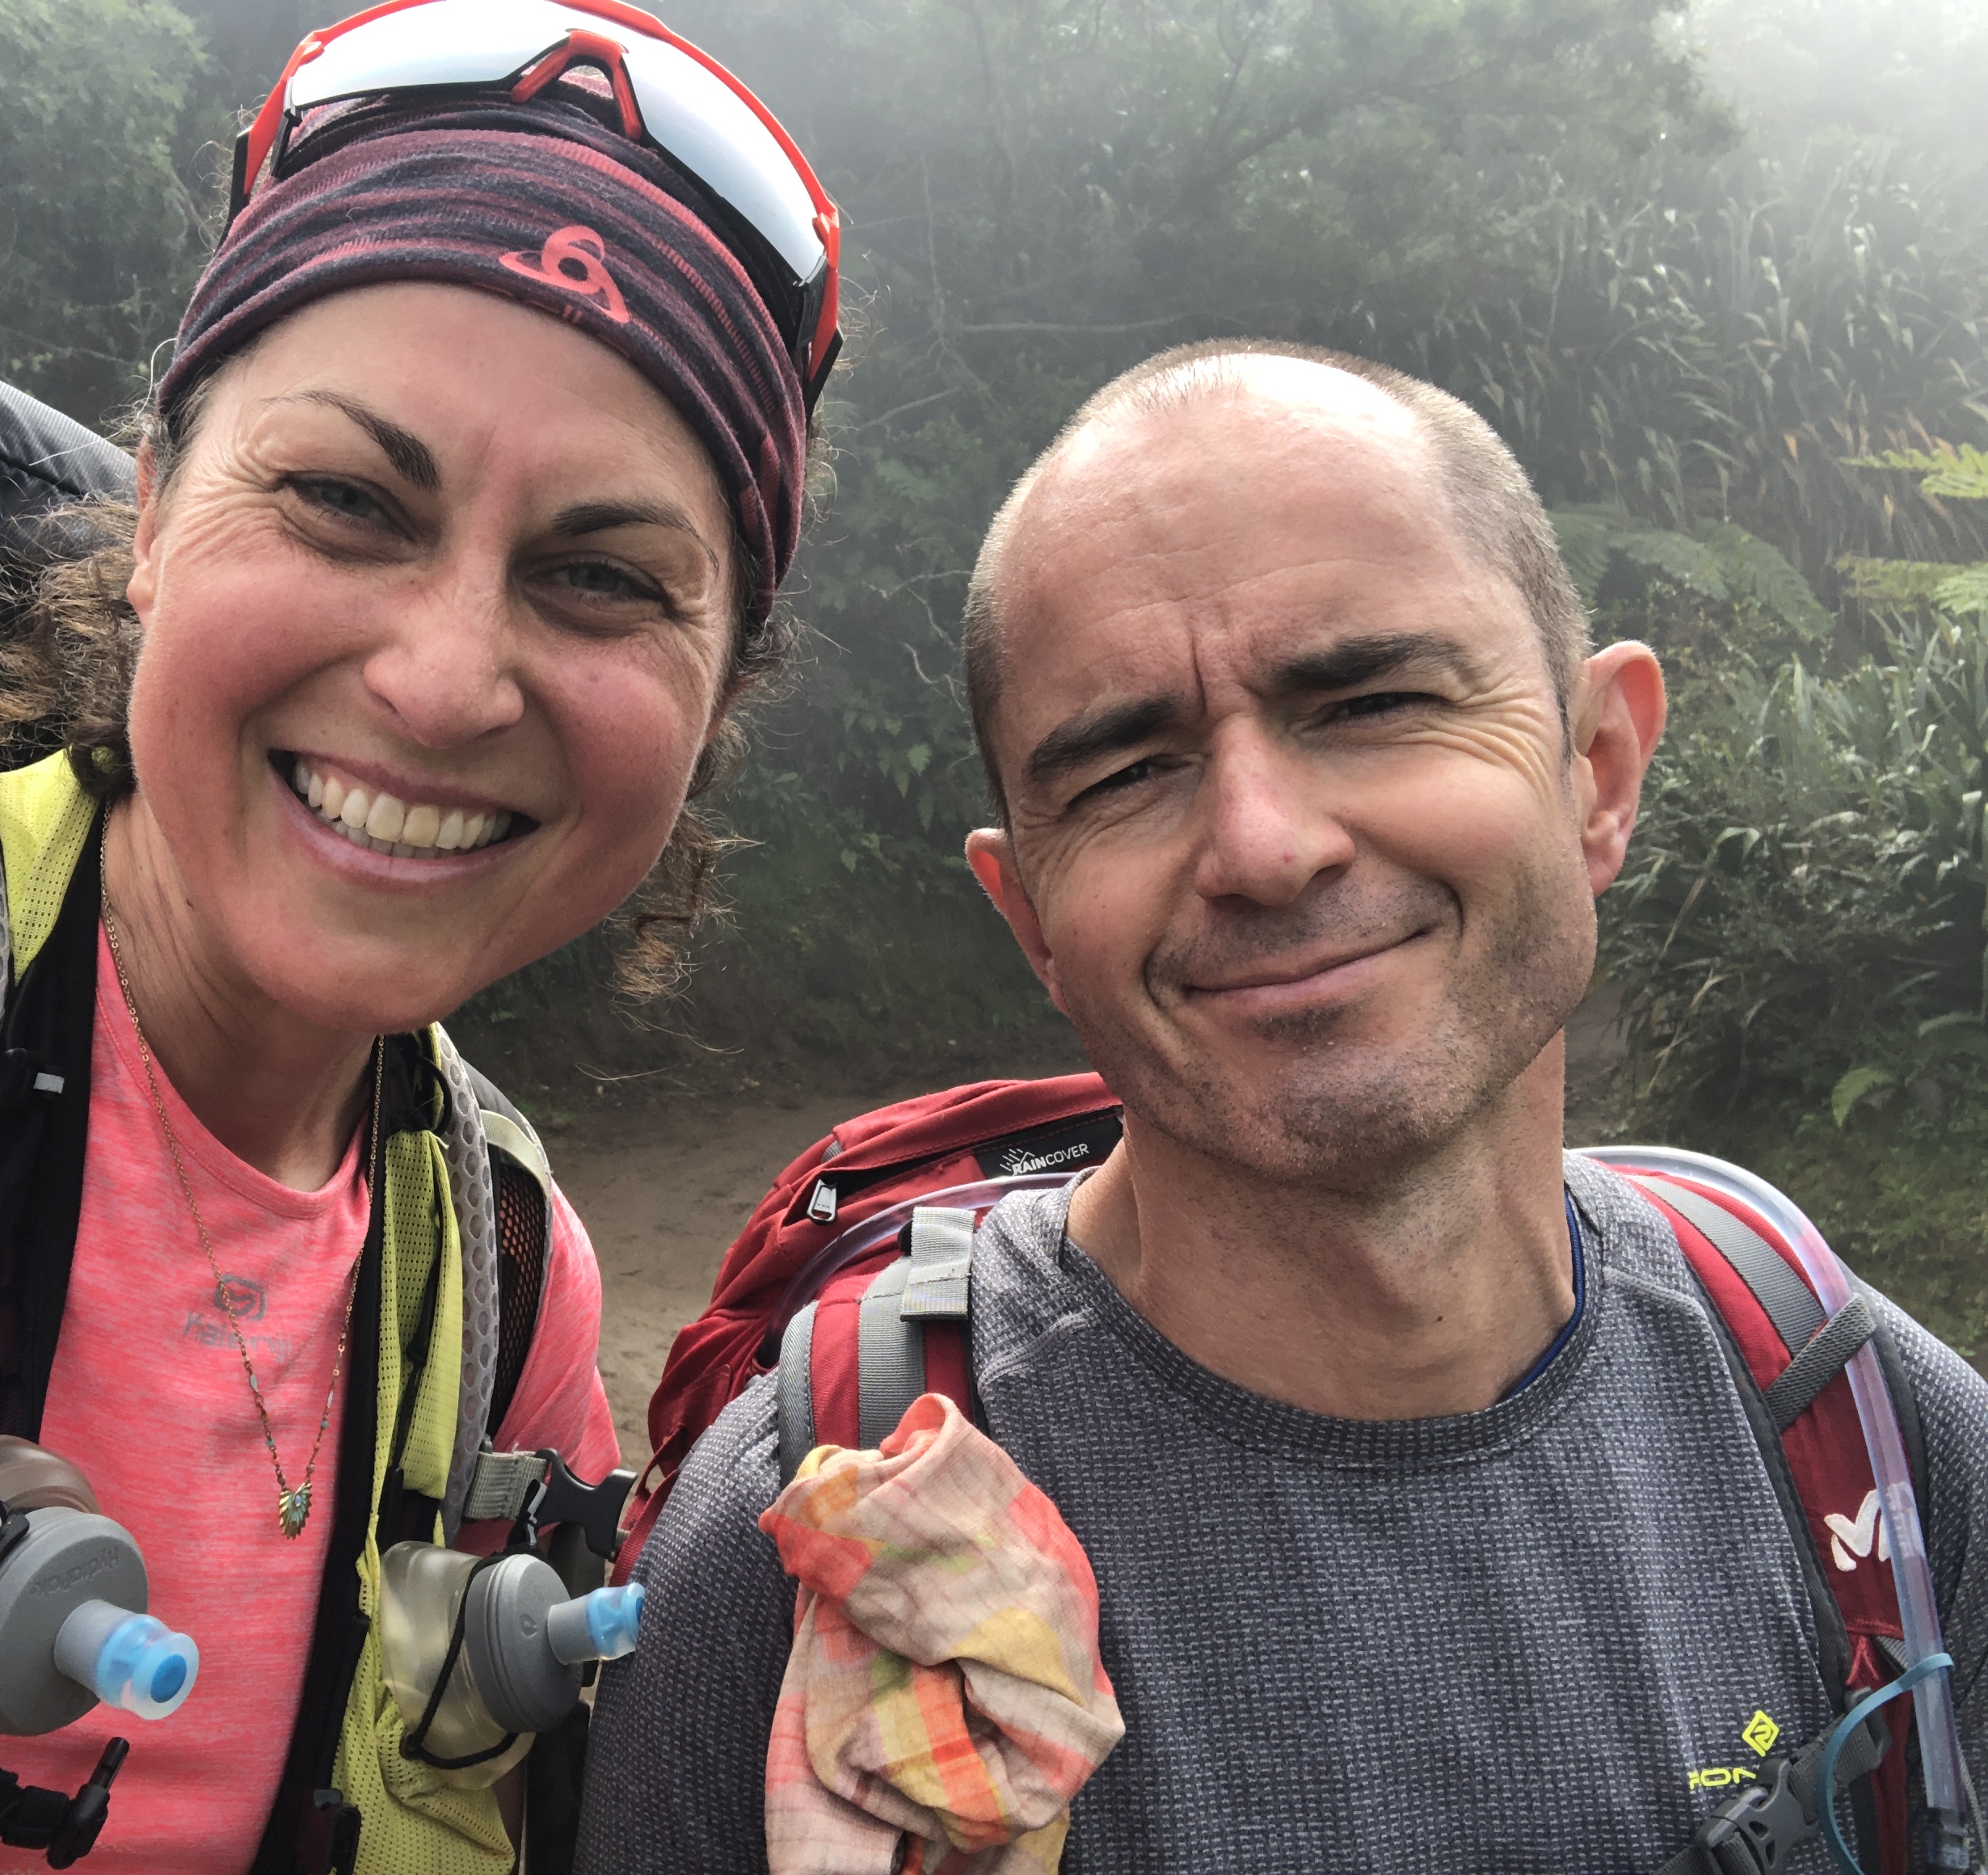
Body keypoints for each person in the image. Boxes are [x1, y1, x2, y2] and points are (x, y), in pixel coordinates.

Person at [0, 5, 839, 1871]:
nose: (443, 679)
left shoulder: (502, 1281)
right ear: (148, 516)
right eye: (344, 499)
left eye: (601, 577)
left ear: (715, 699)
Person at [575, 341, 1988, 1872]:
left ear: (1598, 768)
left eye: (1372, 701)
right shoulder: (818, 1541)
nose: (1262, 846)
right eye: (1125, 773)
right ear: (1032, 920)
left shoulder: (1859, 1431)